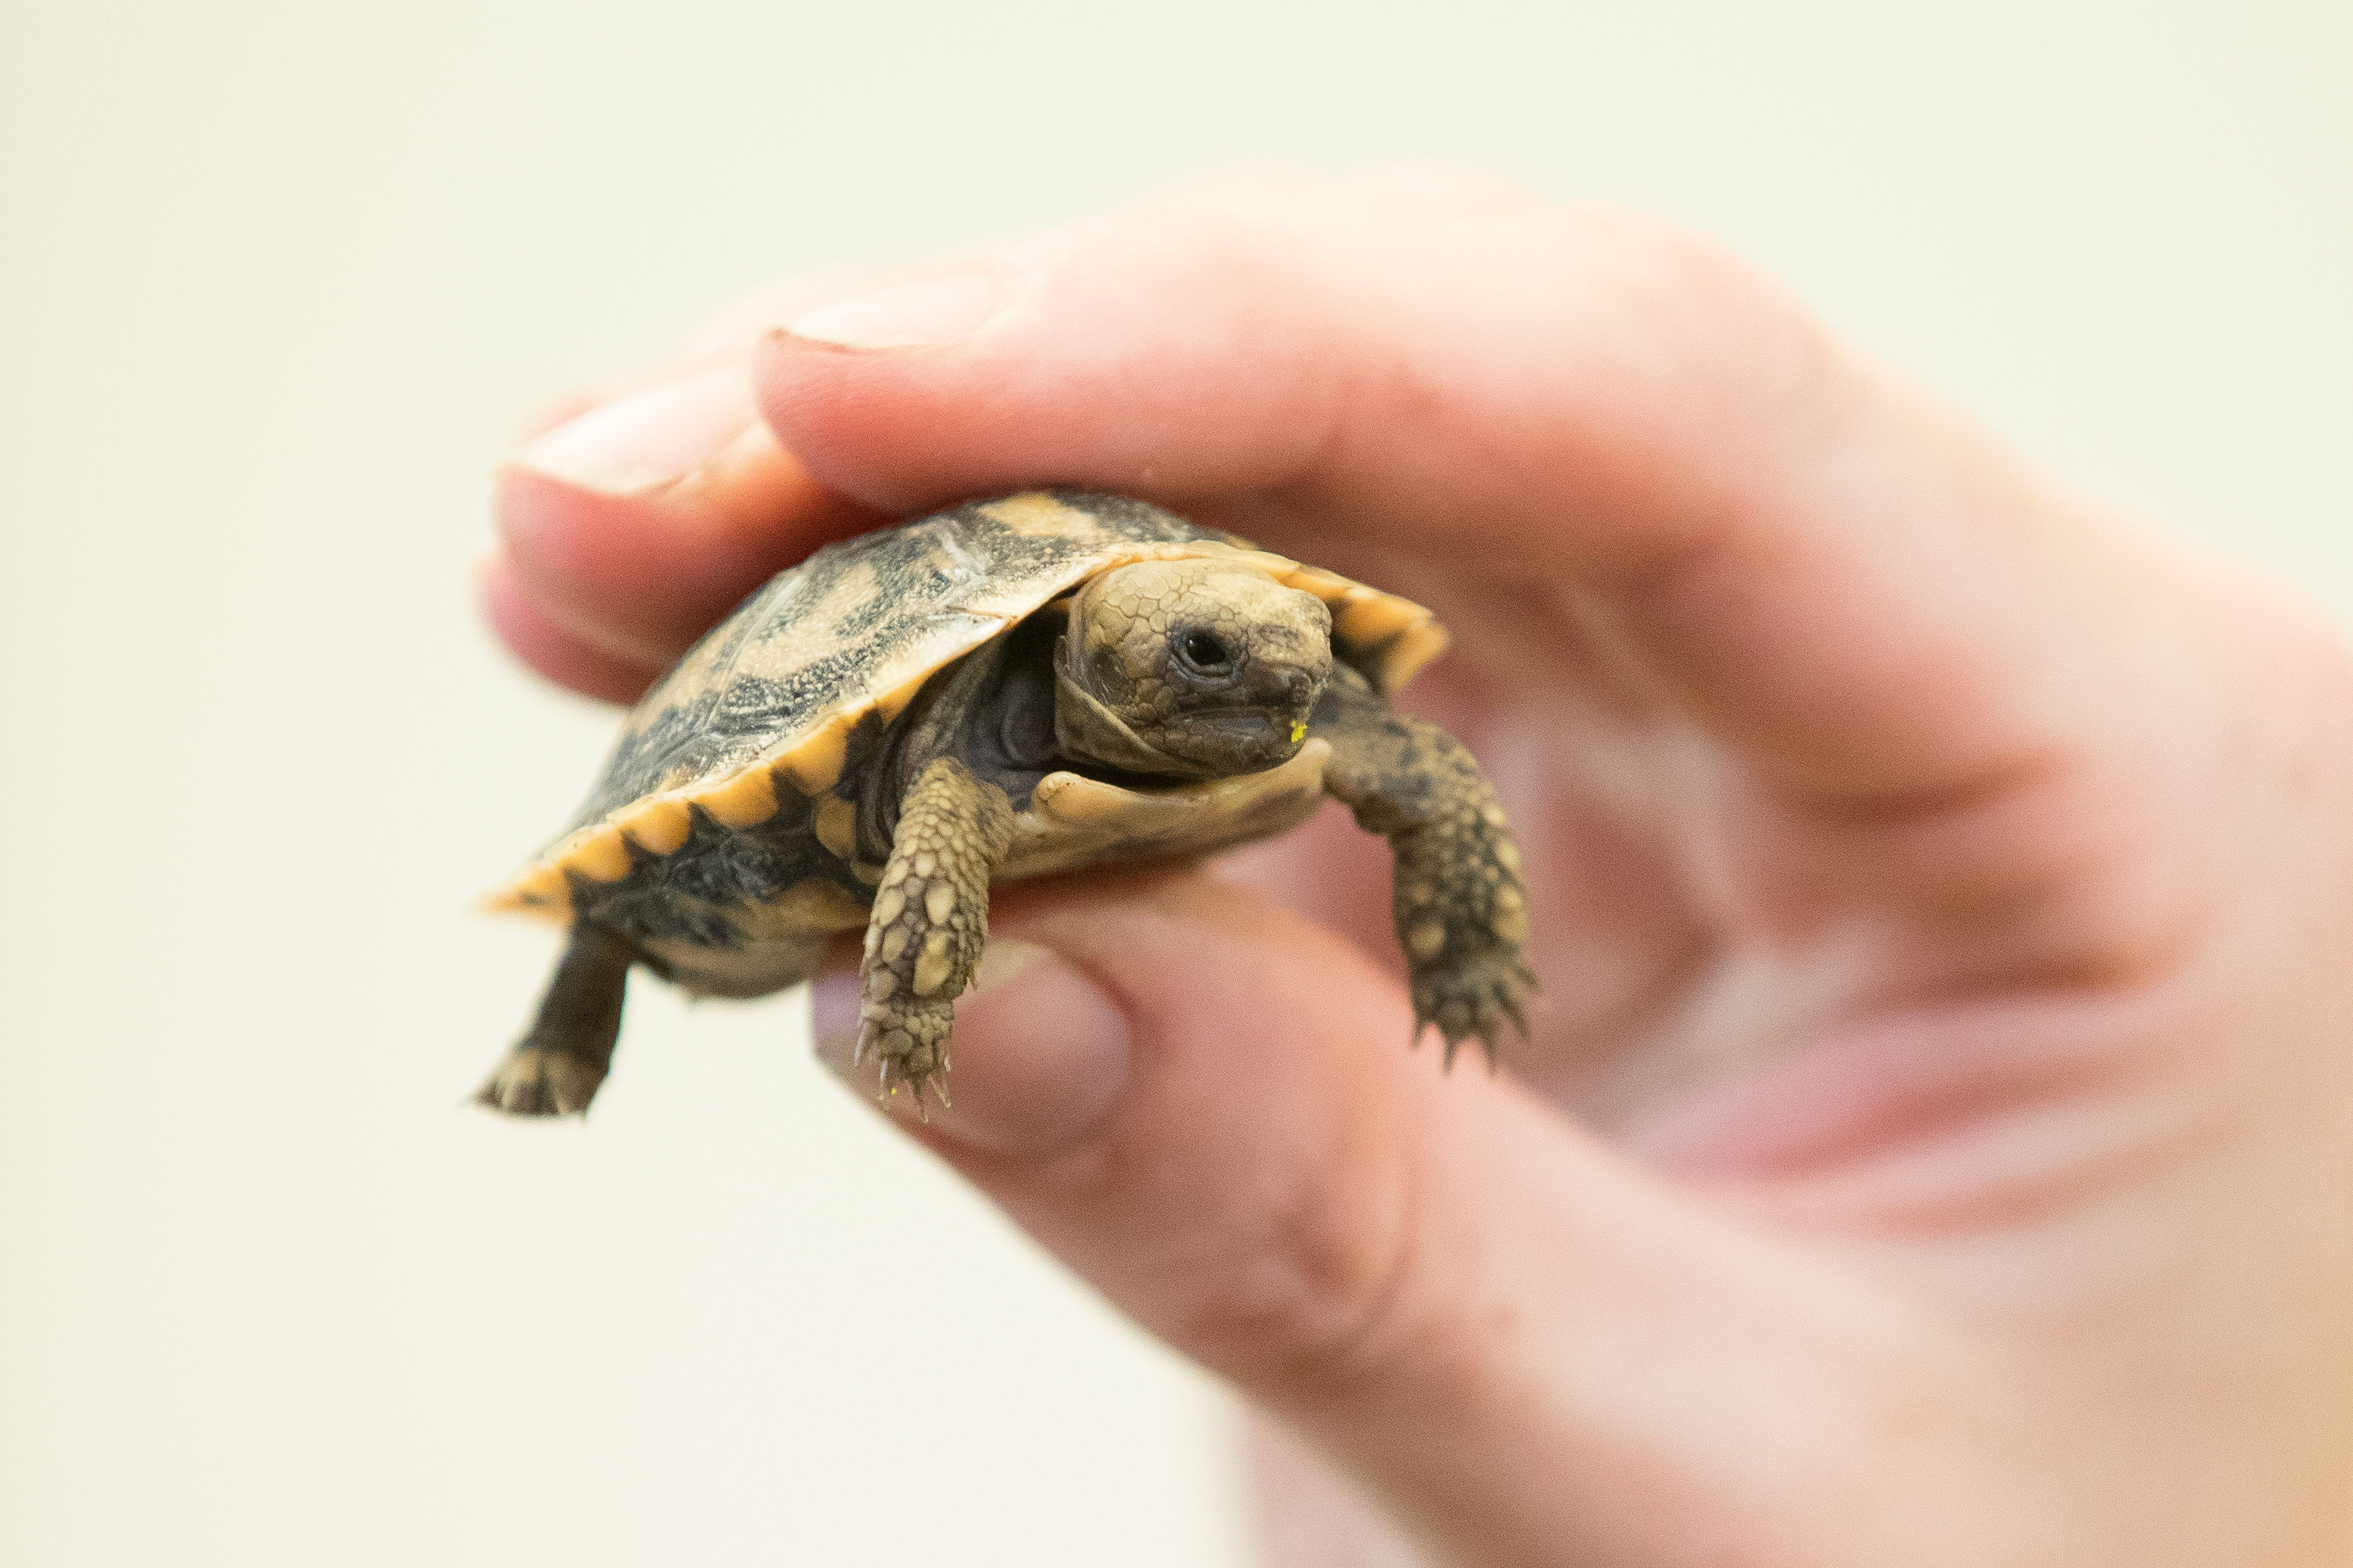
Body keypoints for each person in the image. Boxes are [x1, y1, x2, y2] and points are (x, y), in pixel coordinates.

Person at [482, 166, 2353, 1565]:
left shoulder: (1283, 695)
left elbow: (1422, 774)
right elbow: (948, 800)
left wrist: (1460, 956)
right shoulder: (977, 730)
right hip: (819, 778)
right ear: (1105, 654)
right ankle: (573, 1013)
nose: (1276, 681)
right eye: (1217, 659)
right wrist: (922, 993)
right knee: (646, 907)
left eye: (1289, 655)